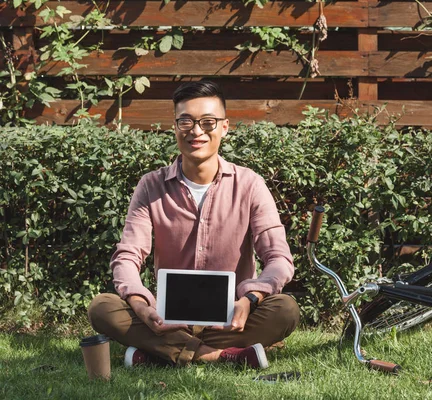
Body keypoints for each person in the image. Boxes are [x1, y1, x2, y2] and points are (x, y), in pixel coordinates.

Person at [87, 80, 300, 370]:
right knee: (102, 307)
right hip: (167, 320)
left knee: (285, 309)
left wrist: (250, 299)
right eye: (186, 121)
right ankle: (225, 356)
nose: (196, 131)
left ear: (224, 127)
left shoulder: (250, 184)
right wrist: (141, 305)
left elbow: (278, 258)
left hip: (231, 320)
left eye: (208, 122)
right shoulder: (151, 186)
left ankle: (160, 353)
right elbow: (127, 256)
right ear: (175, 126)